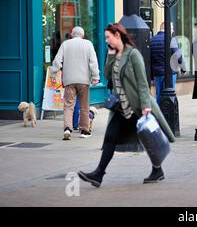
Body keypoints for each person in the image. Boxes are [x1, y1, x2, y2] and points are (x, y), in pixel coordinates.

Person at [77, 23, 163, 187]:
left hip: (136, 106)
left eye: (109, 37)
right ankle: (98, 174)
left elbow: (142, 82)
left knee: (148, 140)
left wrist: (145, 105)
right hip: (121, 107)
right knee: (110, 138)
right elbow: (108, 75)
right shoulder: (115, 54)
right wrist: (110, 55)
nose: (107, 40)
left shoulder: (133, 54)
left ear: (118, 35)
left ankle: (157, 170)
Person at [50, 26, 99, 140]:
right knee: (84, 106)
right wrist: (95, 76)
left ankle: (67, 128)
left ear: (72, 34)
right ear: (82, 35)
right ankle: (84, 131)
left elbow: (57, 61)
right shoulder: (88, 44)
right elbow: (93, 62)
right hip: (84, 80)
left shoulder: (65, 44)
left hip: (69, 80)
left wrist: (53, 74)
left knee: (68, 106)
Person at [150, 22, 187, 105]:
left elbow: (150, 59)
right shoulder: (170, 39)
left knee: (159, 95)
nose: (173, 30)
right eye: (172, 28)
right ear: (168, 29)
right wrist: (183, 68)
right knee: (170, 95)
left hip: (157, 73)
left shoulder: (152, 40)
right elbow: (177, 54)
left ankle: (160, 114)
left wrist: (151, 75)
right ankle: (168, 115)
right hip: (170, 73)